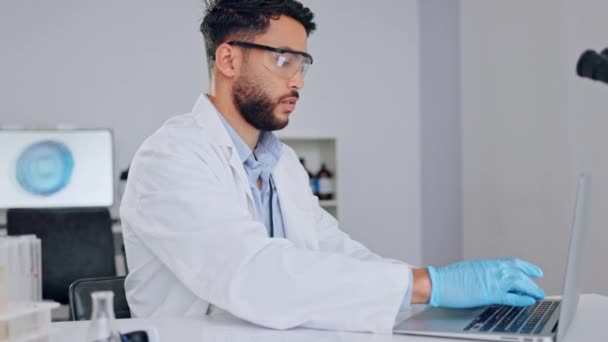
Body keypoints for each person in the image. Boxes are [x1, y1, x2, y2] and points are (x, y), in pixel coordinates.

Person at [120, 0, 545, 333]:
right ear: (229, 60)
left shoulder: (281, 163)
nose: (298, 81)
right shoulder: (171, 158)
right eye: (283, 59)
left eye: (302, 63)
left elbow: (336, 253)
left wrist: (430, 298)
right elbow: (251, 275)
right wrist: (428, 284)